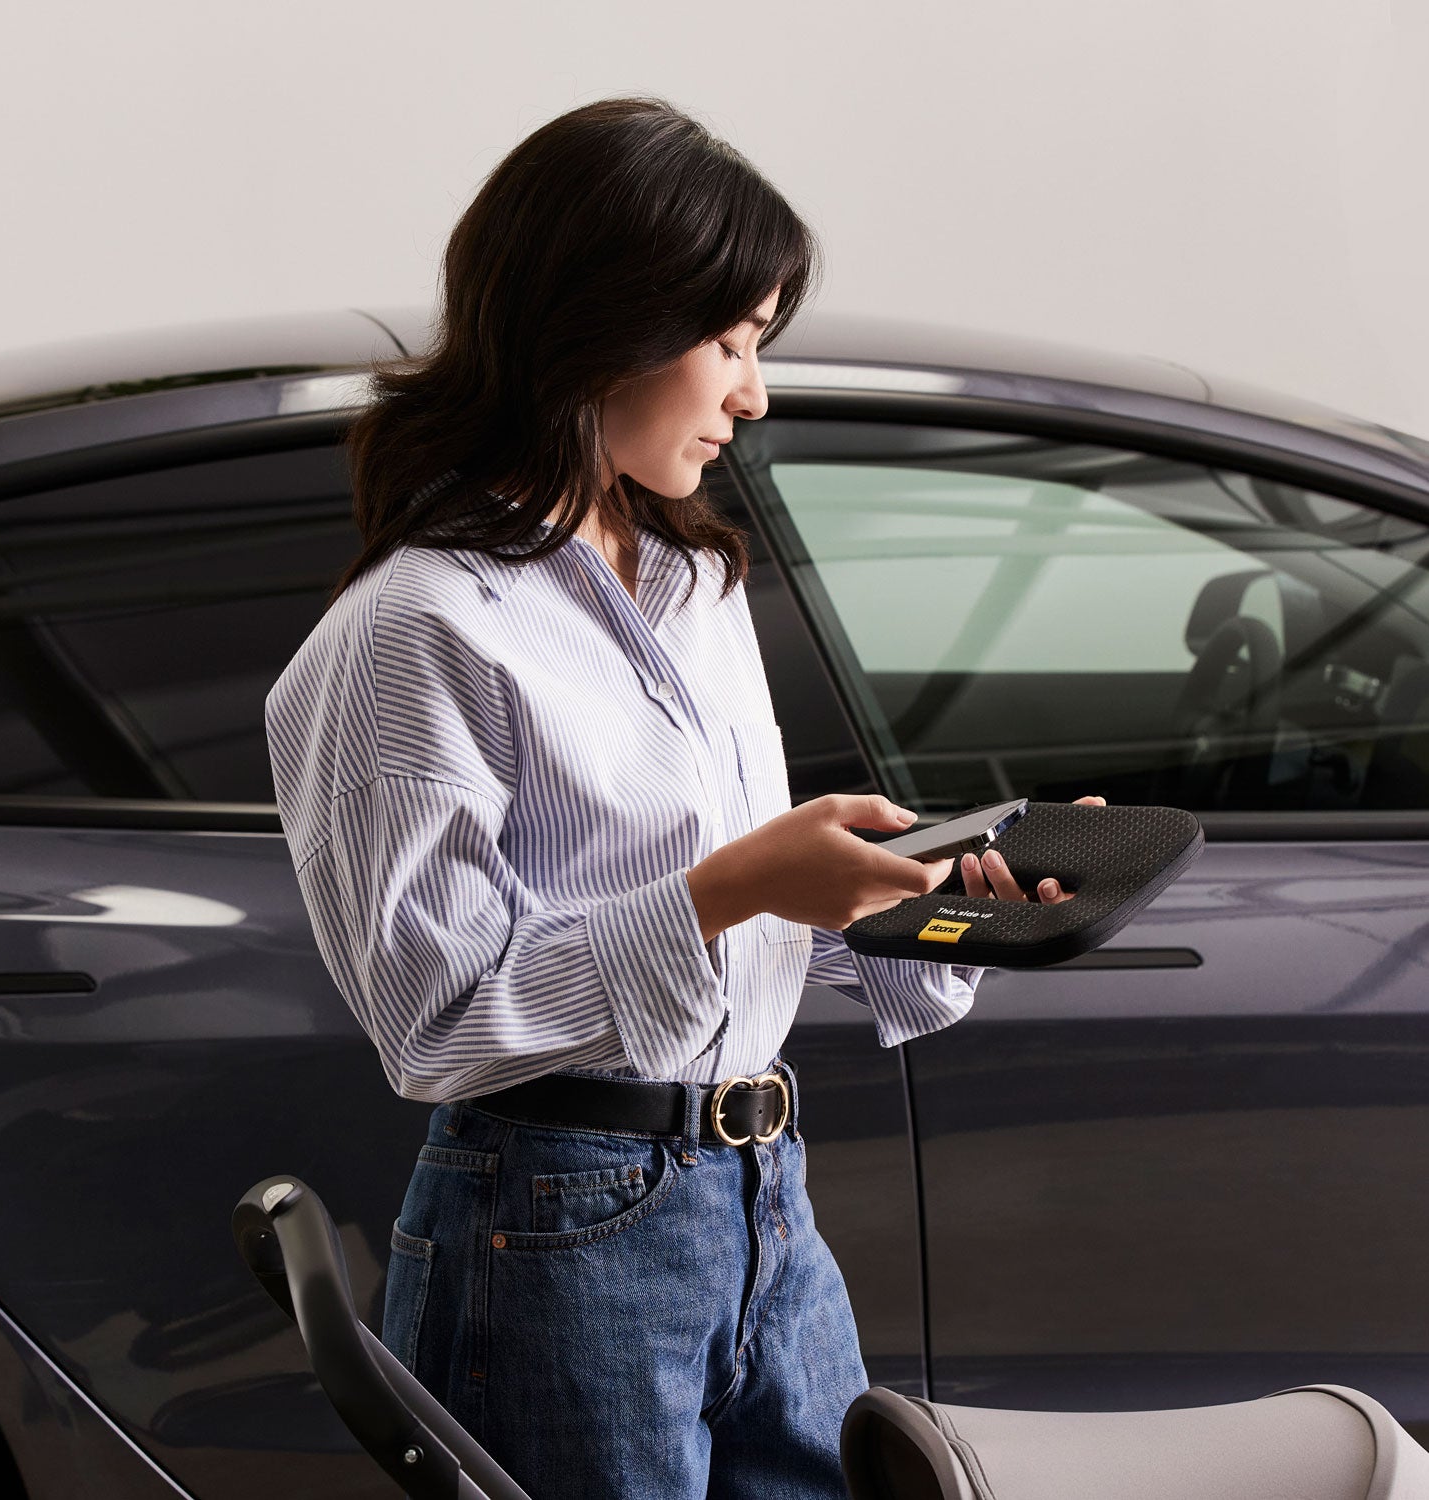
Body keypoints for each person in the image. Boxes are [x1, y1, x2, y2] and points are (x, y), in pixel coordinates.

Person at [265, 95, 1099, 1500]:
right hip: (555, 1230)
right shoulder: (420, 630)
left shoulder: (695, 585)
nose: (754, 394)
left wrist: (911, 901)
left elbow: (724, 928)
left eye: (758, 343)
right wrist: (744, 883)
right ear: (604, 323)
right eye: (730, 341)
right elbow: (434, 1016)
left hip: (762, 1197)